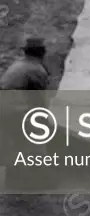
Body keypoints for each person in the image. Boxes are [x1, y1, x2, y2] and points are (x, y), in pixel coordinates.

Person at [0, 36, 50, 190]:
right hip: (16, 110)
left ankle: (12, 180)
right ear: (42, 53)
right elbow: (40, 100)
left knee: (14, 143)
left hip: (5, 109)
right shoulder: (37, 70)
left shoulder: (18, 65)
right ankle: (38, 180)